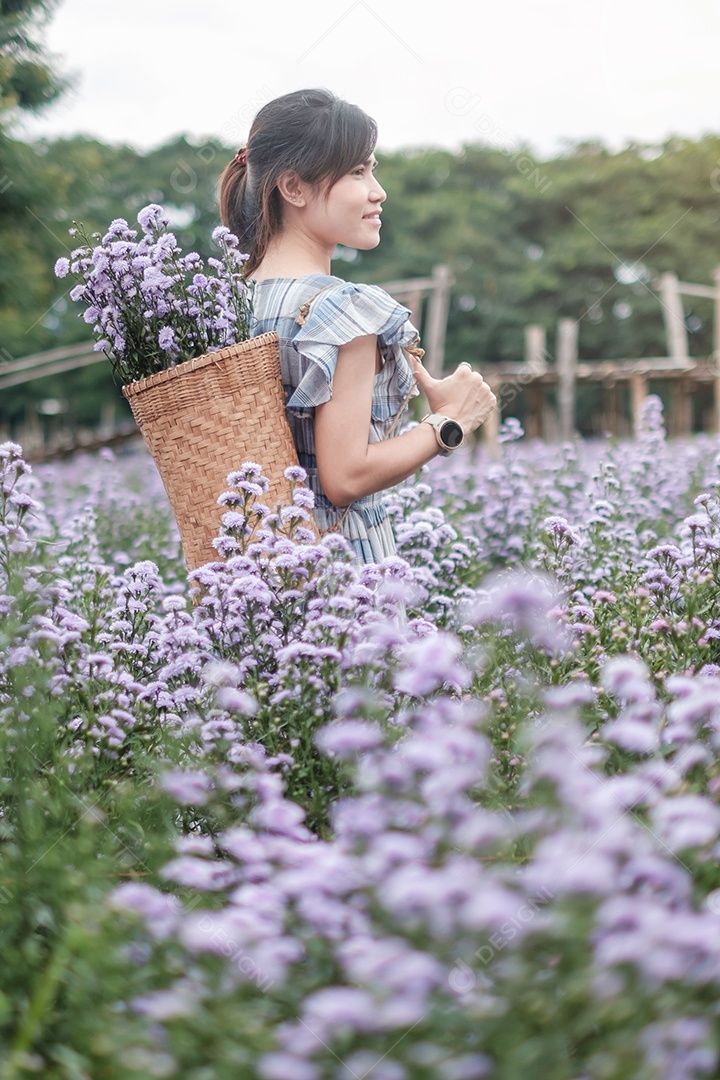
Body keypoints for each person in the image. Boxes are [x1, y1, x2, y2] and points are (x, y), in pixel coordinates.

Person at [219, 88, 496, 564]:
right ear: (294, 188)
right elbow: (345, 477)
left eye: (372, 168)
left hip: (254, 574)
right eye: (357, 171)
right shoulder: (342, 308)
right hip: (340, 579)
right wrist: (451, 421)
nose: (377, 190)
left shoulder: (228, 302)